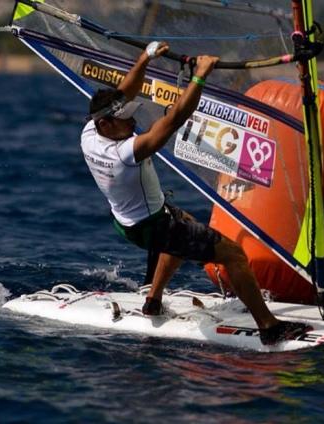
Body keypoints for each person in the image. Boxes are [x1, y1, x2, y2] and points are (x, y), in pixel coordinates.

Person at [80, 41, 311, 345]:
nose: (134, 122)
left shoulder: (89, 133)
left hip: (128, 222)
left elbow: (125, 91)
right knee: (233, 255)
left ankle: (153, 299)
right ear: (107, 124)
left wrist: (145, 58)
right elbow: (174, 119)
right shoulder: (125, 152)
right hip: (152, 225)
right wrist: (200, 76)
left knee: (182, 221)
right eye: (126, 120)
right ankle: (269, 328)